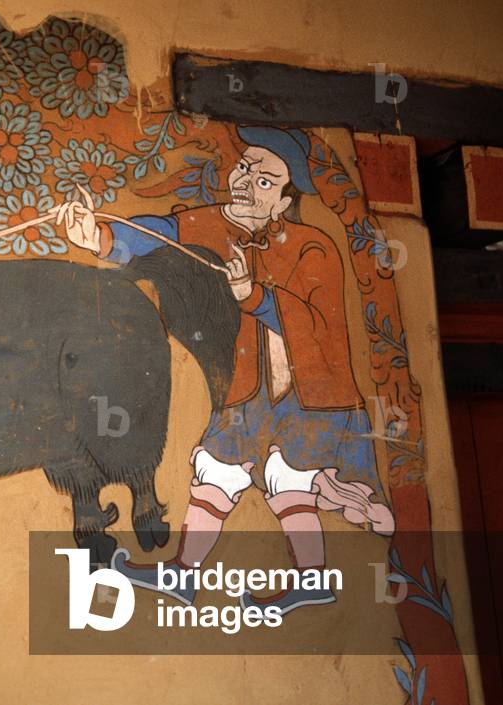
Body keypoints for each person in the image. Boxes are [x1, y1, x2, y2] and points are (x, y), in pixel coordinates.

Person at [55, 126, 394, 614]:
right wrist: (100, 238)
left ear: (283, 199)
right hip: (246, 390)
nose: (247, 178)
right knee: (215, 474)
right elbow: (156, 237)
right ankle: (186, 576)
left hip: (307, 398)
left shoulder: (311, 245)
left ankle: (311, 578)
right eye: (246, 167)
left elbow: (317, 326)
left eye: (264, 178)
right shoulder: (209, 225)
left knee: (288, 480)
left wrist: (251, 296)